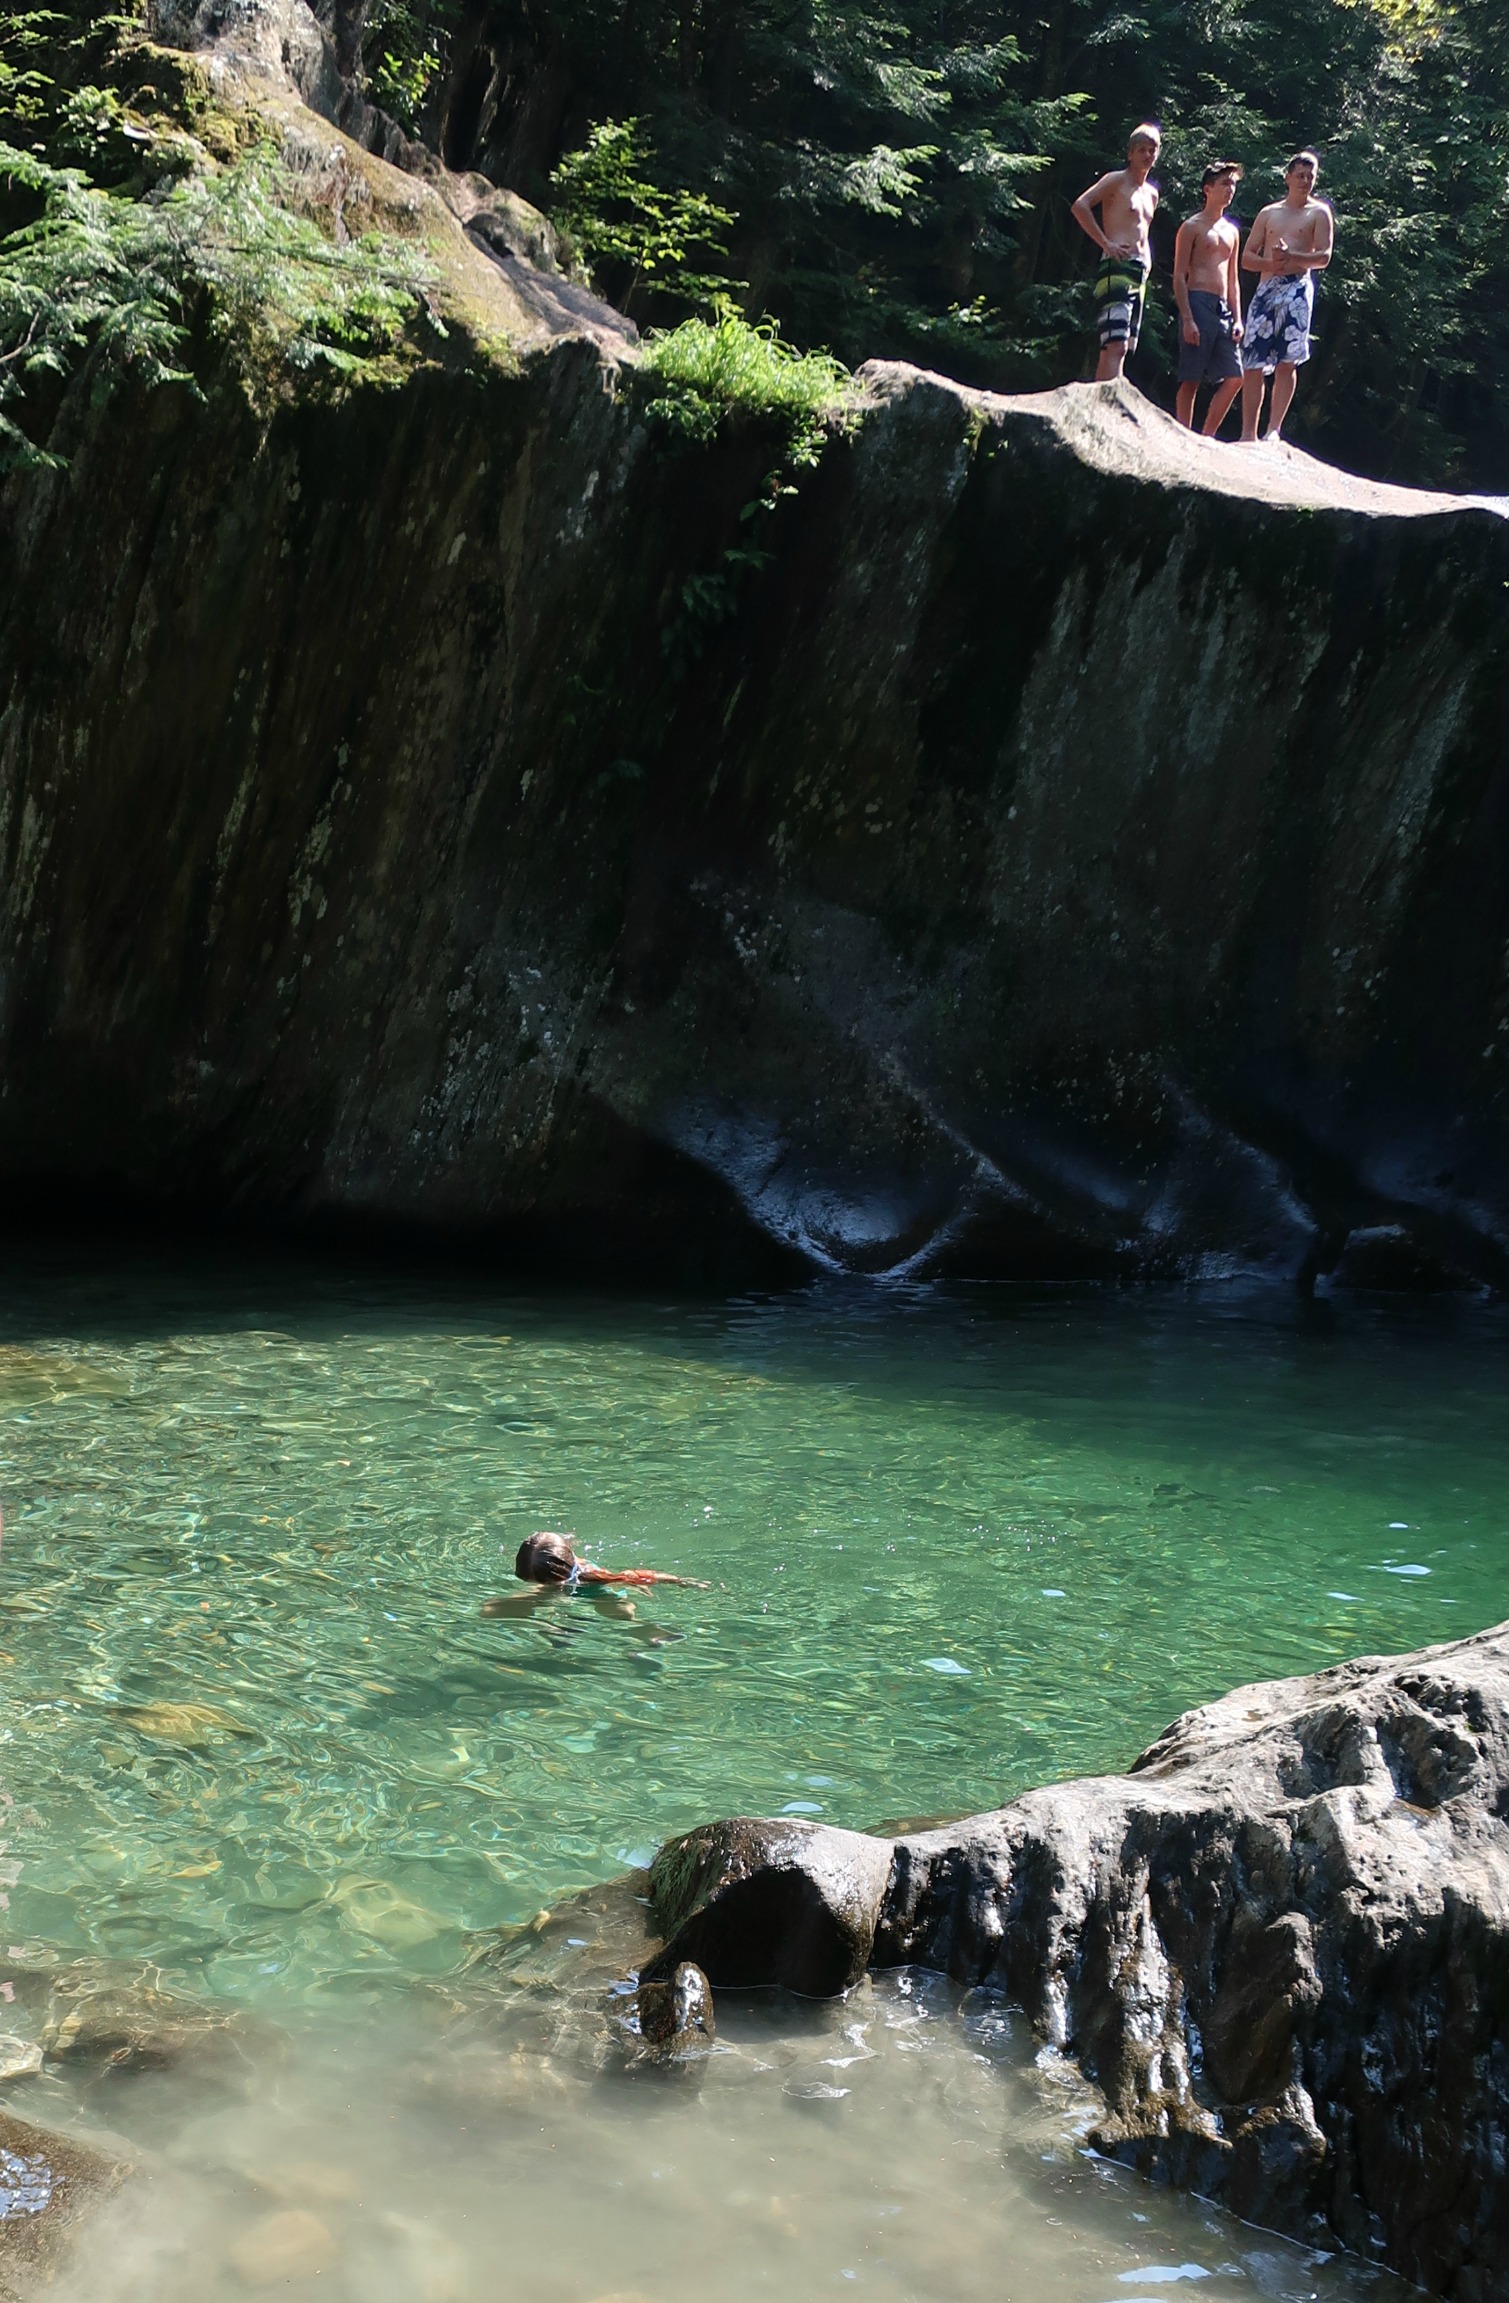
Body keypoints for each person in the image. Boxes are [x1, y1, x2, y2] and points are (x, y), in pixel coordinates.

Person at [1239, 150, 1334, 442]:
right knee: (1253, 360)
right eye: (1300, 176)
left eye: (1310, 176)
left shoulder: (1319, 213)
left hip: (1297, 288)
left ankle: (1274, 429)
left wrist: (1293, 256)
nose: (1305, 181)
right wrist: (1271, 263)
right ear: (1288, 178)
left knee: (1287, 361)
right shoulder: (1269, 213)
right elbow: (1246, 258)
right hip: (1267, 289)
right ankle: (1247, 433)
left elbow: (1324, 257)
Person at [1071, 124, 1162, 382]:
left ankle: (1106, 399)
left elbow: (1141, 230)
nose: (1147, 155)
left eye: (1152, 150)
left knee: (1123, 344)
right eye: (1142, 150)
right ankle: (1107, 402)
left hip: (1139, 271)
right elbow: (1080, 206)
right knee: (1115, 342)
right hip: (1116, 266)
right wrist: (1105, 243)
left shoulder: (1152, 193)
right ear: (1130, 153)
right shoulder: (1116, 180)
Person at [1172, 162, 1245, 435]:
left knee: (1235, 376)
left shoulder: (1232, 231)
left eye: (1233, 184)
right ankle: (1182, 434)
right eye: (1225, 183)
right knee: (1191, 378)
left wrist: (1238, 318)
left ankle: (1207, 436)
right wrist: (1188, 317)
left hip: (1223, 307)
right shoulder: (1191, 227)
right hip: (1197, 301)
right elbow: (1179, 275)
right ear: (1208, 189)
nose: (1230, 189)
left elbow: (1233, 278)